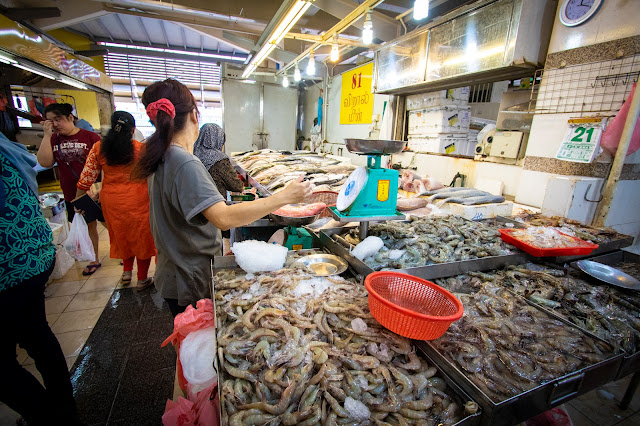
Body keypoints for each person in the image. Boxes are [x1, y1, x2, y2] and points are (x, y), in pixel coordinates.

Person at [134, 78, 312, 317]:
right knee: (195, 340)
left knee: (186, 338)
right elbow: (223, 218)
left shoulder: (159, 155)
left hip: (174, 267)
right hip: (189, 274)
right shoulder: (184, 162)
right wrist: (283, 197)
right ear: (194, 116)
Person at [0, 133, 80, 425]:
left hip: (8, 262)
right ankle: (64, 409)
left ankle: (50, 417)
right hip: (34, 252)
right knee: (37, 335)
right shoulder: (7, 147)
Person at [76, 111, 157, 289]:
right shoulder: (141, 149)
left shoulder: (99, 148)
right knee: (142, 238)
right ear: (133, 129)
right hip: (139, 200)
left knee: (122, 236)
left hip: (112, 201)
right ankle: (142, 278)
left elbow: (85, 178)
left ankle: (127, 273)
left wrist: (78, 200)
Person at [37, 103, 102, 275]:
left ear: (70, 118)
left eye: (57, 120)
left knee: (106, 223)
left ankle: (124, 253)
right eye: (50, 121)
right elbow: (45, 163)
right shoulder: (53, 139)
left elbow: (105, 164)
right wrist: (46, 135)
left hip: (93, 191)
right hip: (70, 193)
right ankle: (94, 257)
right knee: (86, 225)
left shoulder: (90, 137)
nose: (54, 124)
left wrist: (99, 188)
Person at [193, 123, 243, 197]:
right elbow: (236, 185)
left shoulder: (193, 154)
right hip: (215, 203)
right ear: (218, 139)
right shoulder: (219, 159)